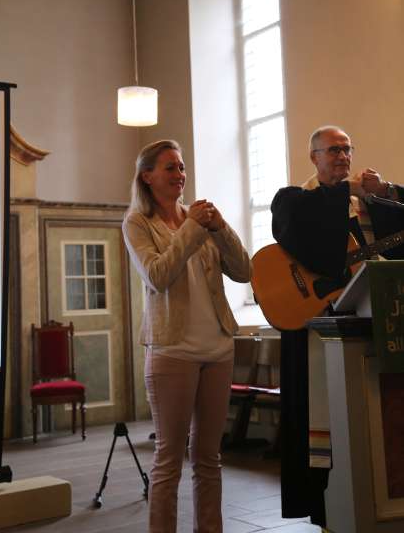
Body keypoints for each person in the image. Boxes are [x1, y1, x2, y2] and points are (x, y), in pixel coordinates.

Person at [270, 125, 404, 527]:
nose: (342, 156)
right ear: (313, 157)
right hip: (318, 333)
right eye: (333, 150)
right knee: (324, 426)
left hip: (373, 330)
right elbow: (310, 244)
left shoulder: (369, 203)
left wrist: (387, 192)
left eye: (347, 149)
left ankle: (381, 505)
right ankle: (330, 511)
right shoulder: (294, 200)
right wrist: (347, 194)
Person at [122, 139, 251, 533]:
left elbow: (244, 271)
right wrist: (194, 227)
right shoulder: (137, 224)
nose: (180, 175)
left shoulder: (202, 219)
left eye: (181, 168)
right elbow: (158, 277)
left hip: (217, 347)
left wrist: (220, 227)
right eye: (170, 168)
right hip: (172, 350)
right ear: (148, 176)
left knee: (209, 458)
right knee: (169, 459)